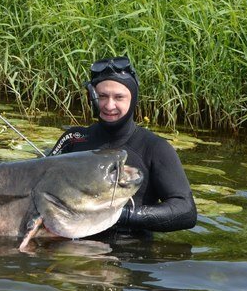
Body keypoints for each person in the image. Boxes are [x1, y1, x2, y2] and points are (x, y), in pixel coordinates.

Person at [49, 56, 197, 233]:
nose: (110, 105)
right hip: (69, 246)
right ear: (92, 98)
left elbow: (186, 211)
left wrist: (121, 216)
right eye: (102, 96)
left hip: (129, 252)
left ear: (133, 98)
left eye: (119, 97)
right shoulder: (74, 138)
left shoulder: (155, 148)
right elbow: (37, 183)